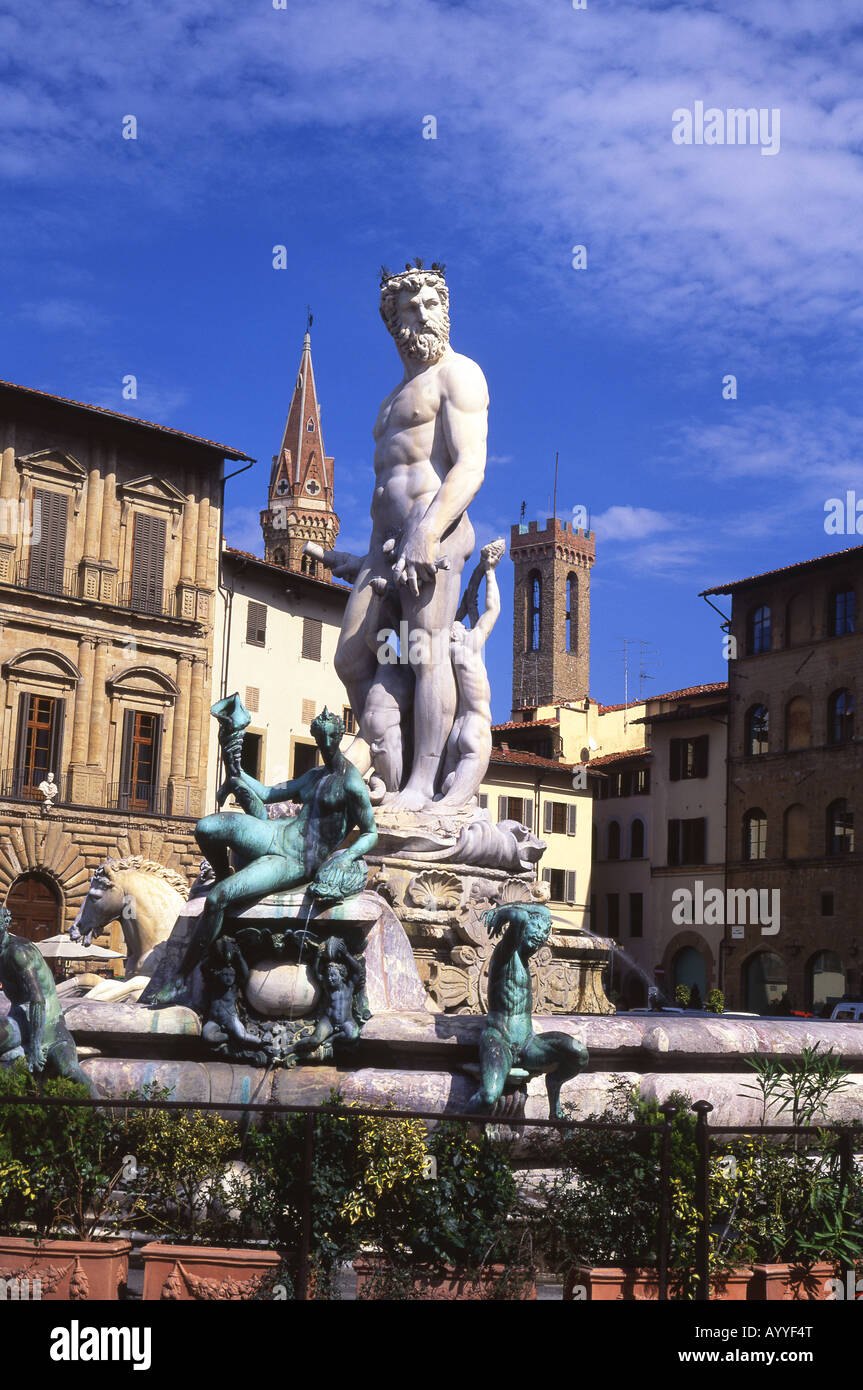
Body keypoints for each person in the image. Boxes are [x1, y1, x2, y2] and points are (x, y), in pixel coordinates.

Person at [334, 261, 489, 810]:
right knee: (353, 661)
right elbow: (387, 480)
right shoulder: (390, 399)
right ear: (392, 322)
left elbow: (470, 466)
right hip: (384, 543)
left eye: (431, 305)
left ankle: (422, 785)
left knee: (425, 653)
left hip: (436, 530)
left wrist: (427, 533)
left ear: (445, 311)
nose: (422, 316)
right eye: (409, 309)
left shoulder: (460, 373)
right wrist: (361, 558)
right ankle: (388, 770)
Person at [150, 708, 377, 1006]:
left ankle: (180, 978)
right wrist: (237, 770)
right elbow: (268, 794)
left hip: (296, 861)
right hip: (275, 833)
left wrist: (345, 858)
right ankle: (223, 872)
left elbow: (371, 832)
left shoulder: (352, 783)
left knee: (218, 899)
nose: (324, 746)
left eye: (329, 739)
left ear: (338, 737)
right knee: (206, 828)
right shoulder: (314, 776)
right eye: (319, 740)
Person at [466, 903, 588, 1119]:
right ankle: (455, 1133)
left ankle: (554, 1092)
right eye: (532, 939)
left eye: (539, 942)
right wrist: (501, 911)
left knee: (578, 1053)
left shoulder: (523, 961)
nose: (535, 946)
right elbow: (520, 917)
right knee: (488, 1096)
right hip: (499, 1039)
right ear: (521, 934)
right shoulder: (505, 954)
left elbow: (545, 912)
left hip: (527, 1044)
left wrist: (528, 916)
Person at [0, 905, 92, 1090]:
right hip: (20, 1017)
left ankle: (100, 1110)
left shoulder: (18, 952)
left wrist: (35, 1047)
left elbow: (37, 1000)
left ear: (5, 922)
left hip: (47, 1020)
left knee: (68, 1070)